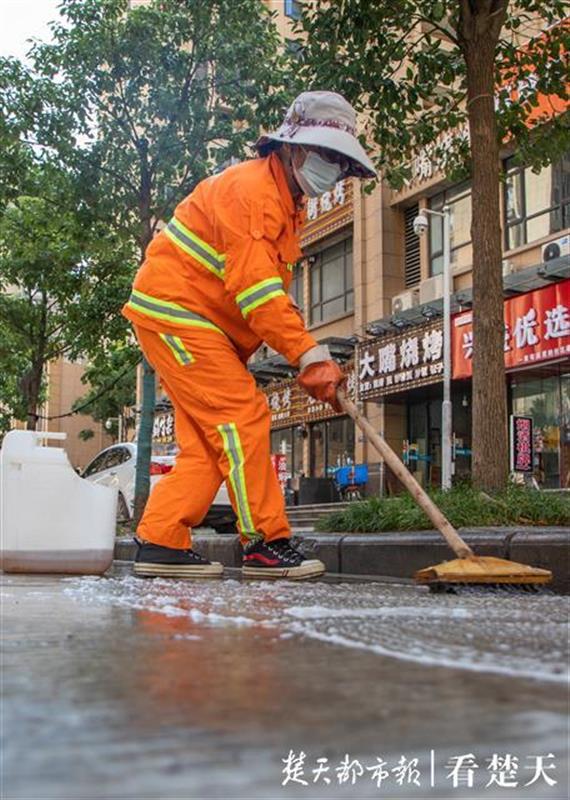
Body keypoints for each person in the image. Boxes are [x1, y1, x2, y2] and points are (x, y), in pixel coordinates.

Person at [122, 90, 376, 580]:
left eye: (343, 165)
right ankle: (265, 542)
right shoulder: (255, 195)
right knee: (243, 415)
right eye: (329, 157)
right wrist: (308, 354)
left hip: (192, 321)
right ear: (292, 148)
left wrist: (306, 351)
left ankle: (159, 540)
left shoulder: (284, 201)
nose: (335, 173)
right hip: (179, 313)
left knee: (210, 447)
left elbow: (264, 293)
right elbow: (259, 296)